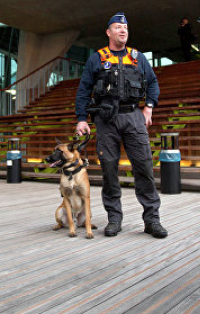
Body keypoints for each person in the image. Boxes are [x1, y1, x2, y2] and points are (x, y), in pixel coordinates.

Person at [75, 12, 167, 239]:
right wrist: (81, 118)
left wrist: (149, 107)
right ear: (108, 32)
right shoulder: (97, 58)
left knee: (144, 168)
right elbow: (84, 89)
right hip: (106, 120)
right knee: (109, 170)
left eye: (125, 27)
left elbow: (153, 84)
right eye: (117, 27)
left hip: (133, 116)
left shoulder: (138, 57)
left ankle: (152, 220)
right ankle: (114, 219)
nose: (122, 30)